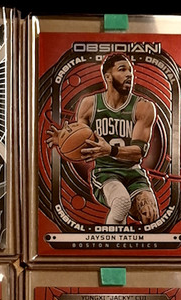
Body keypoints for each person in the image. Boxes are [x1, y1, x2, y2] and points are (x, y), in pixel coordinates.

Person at [47, 53, 158, 225]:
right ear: (108, 77)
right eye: (122, 69)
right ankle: (112, 240)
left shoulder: (143, 107)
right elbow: (81, 143)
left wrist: (110, 150)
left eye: (130, 70)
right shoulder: (89, 104)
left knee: (150, 215)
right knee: (122, 202)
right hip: (105, 172)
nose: (129, 74)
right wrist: (63, 139)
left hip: (133, 173)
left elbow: (138, 153)